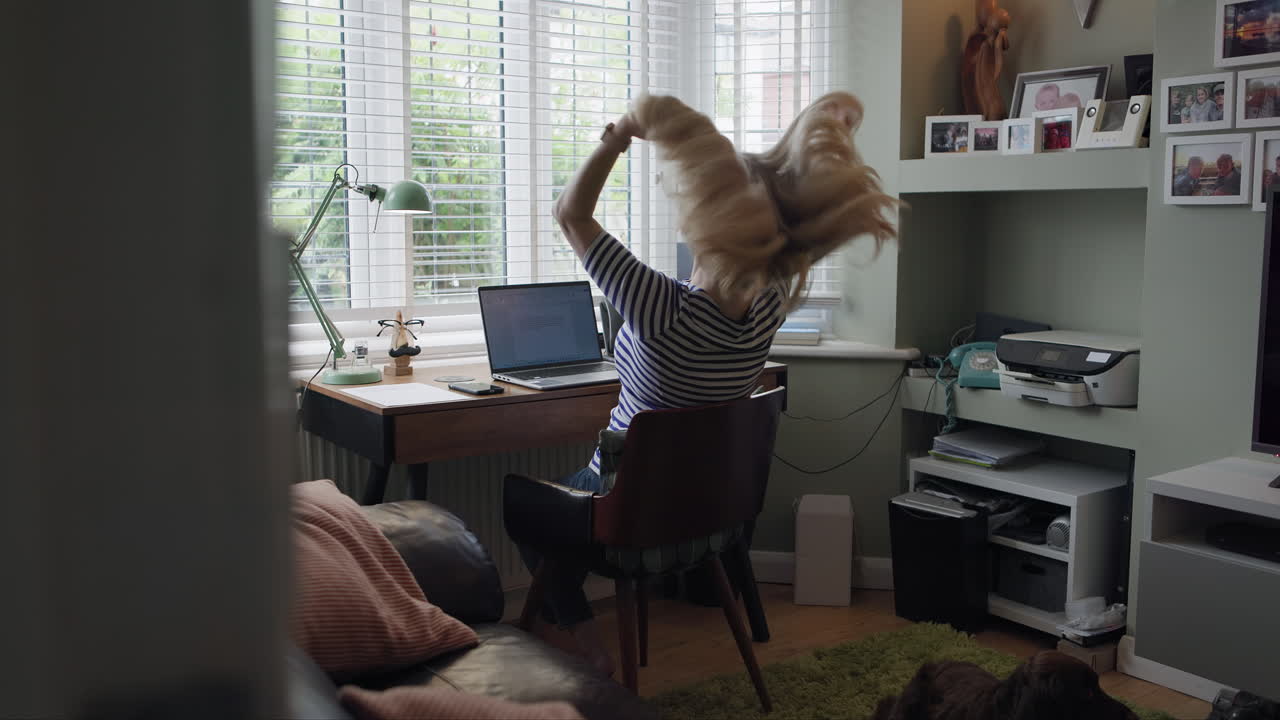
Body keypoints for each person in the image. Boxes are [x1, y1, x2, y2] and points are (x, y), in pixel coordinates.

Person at [517, 92, 896, 676]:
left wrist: (618, 137)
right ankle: (581, 639)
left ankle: (589, 650)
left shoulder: (659, 308)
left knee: (525, 508)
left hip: (623, 514)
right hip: (699, 521)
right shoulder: (771, 306)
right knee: (561, 512)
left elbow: (570, 212)